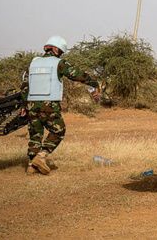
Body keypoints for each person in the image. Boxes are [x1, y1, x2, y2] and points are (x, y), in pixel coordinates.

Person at [26, 35, 101, 175]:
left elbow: (25, 85)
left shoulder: (33, 62)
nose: (60, 54)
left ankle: (31, 165)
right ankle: (41, 156)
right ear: (55, 49)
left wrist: (24, 105)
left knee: (35, 134)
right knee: (58, 130)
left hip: (31, 104)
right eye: (60, 51)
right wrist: (94, 83)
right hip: (49, 103)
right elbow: (76, 74)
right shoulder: (59, 63)